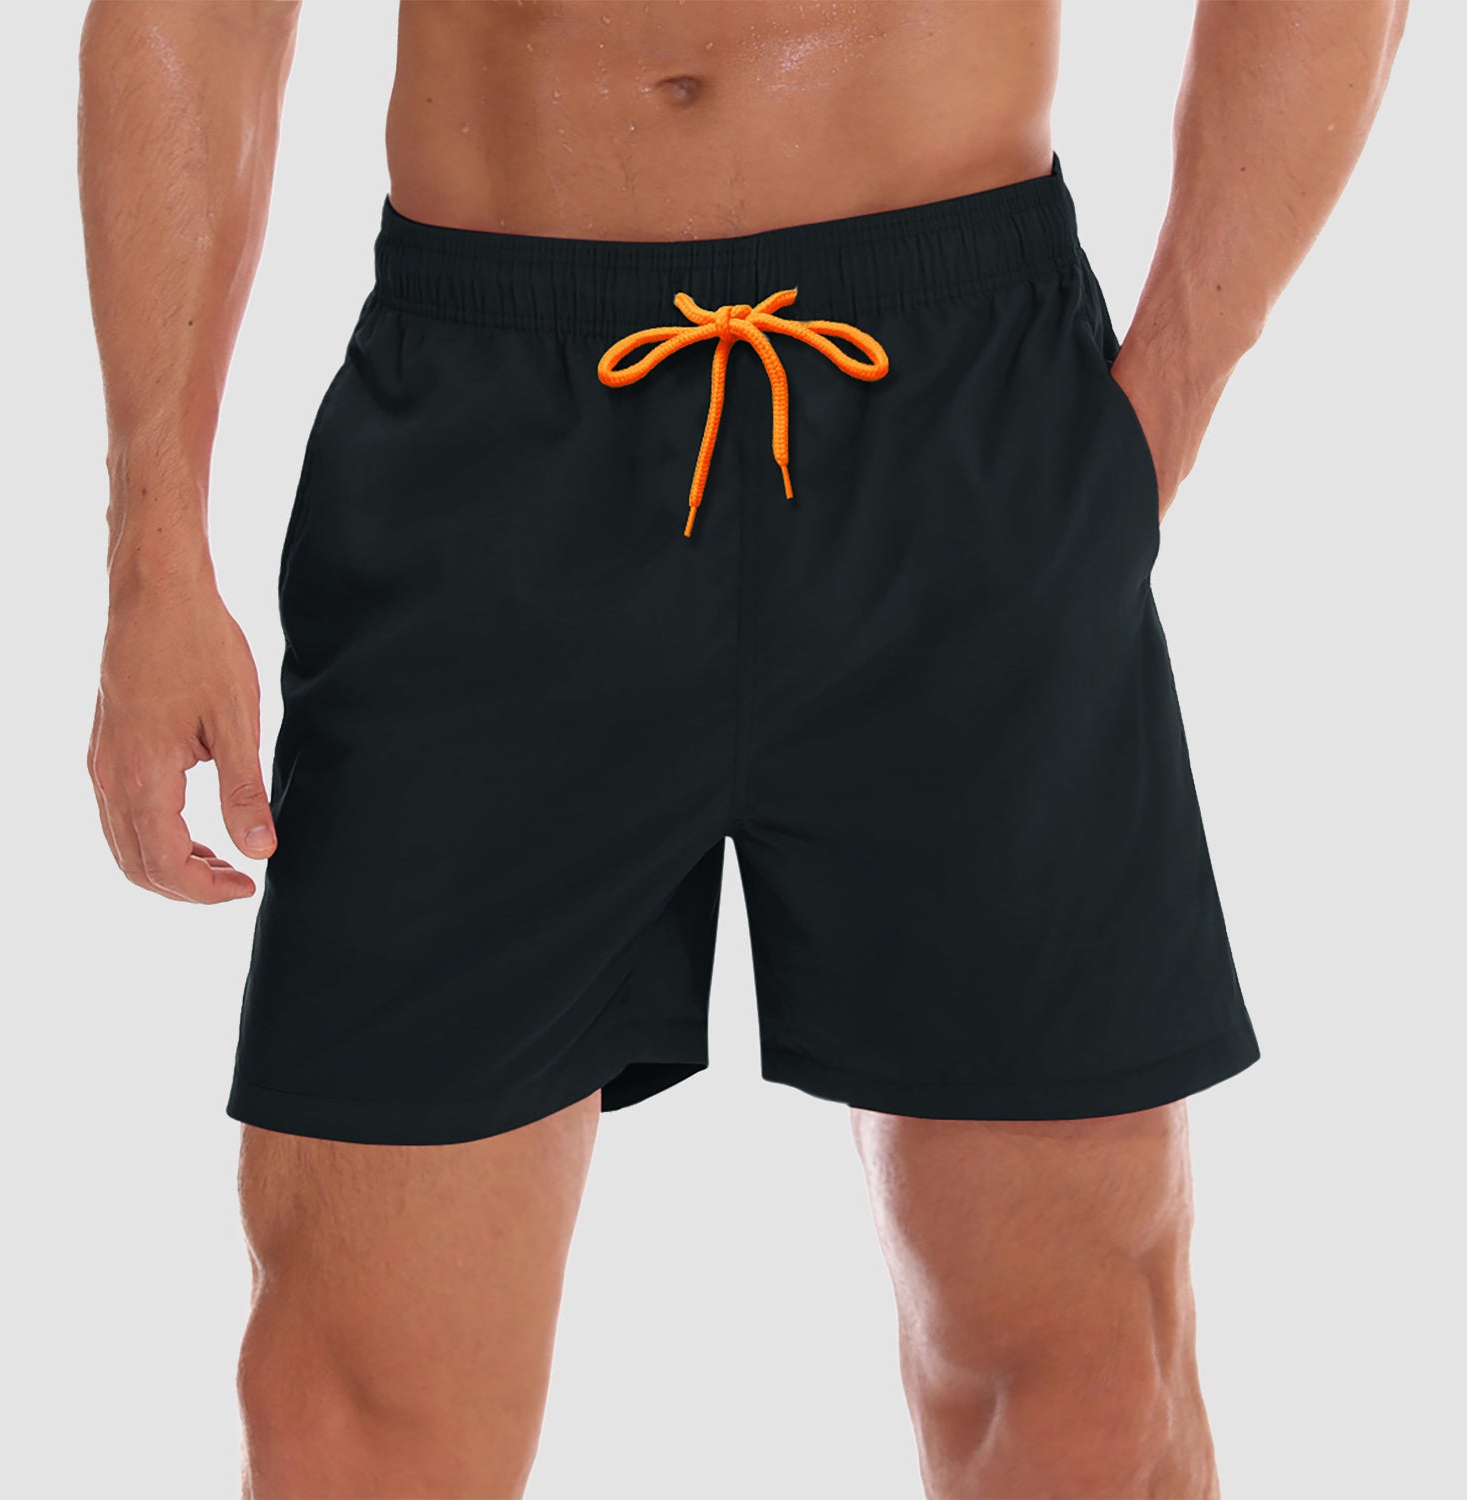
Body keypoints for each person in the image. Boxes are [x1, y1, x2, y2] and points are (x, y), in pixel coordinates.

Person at [78, 2, 1408, 1495]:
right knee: (343, 1418)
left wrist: (1166, 395)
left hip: (956, 406)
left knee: (1085, 1391)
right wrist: (153, 552)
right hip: (489, 434)